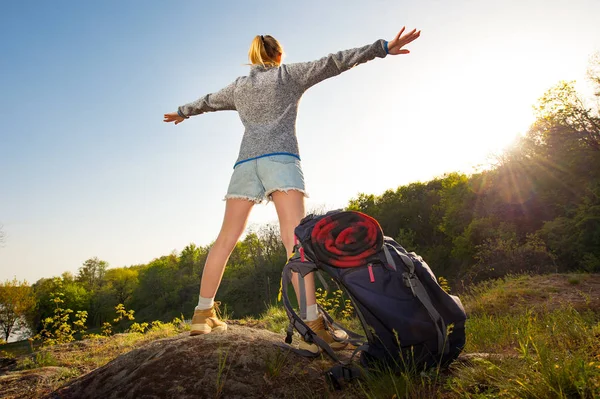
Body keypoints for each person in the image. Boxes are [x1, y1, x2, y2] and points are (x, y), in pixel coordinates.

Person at [163, 27, 421, 352]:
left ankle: (203, 313)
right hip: (281, 161)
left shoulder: (239, 87)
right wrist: (382, 47)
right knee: (295, 241)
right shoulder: (288, 75)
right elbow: (334, 62)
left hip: (245, 165)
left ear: (253, 57)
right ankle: (312, 324)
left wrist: (183, 112)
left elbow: (209, 101)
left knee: (225, 239)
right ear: (279, 55)